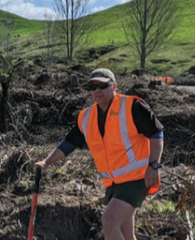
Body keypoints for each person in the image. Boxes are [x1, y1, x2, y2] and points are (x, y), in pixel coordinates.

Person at [33, 68, 164, 240]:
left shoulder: (133, 106)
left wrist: (154, 165)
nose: (97, 90)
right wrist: (47, 162)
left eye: (102, 85)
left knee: (109, 221)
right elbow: (69, 144)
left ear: (114, 86)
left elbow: (157, 133)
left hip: (137, 178)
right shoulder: (86, 117)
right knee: (125, 231)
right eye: (93, 87)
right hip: (113, 183)